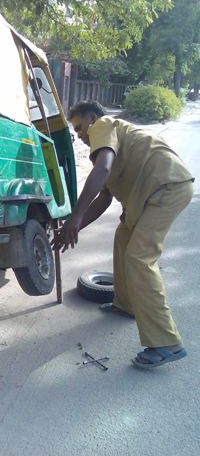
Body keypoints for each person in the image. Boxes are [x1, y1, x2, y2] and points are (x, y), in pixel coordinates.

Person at [52, 101, 194, 369]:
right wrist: (73, 228)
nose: (81, 136)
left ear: (92, 118)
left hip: (166, 188)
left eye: (81, 127)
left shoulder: (104, 126)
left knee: (139, 258)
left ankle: (167, 342)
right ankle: (126, 304)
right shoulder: (106, 143)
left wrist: (76, 215)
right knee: (123, 236)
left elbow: (102, 168)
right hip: (148, 196)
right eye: (78, 132)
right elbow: (104, 198)